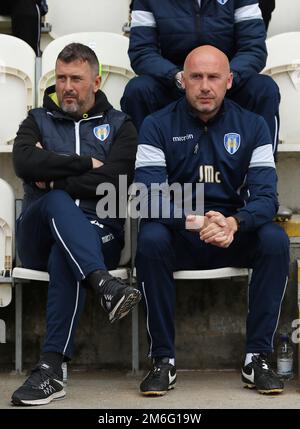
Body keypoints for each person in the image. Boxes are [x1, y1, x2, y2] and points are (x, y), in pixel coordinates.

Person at [134, 45, 289, 396]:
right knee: (151, 238)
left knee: (275, 241)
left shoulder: (254, 126)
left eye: (214, 77)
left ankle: (257, 357)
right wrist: (196, 222)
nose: (205, 86)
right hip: (182, 234)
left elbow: (266, 198)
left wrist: (234, 223)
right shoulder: (156, 125)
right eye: (197, 77)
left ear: (229, 81)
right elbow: (148, 196)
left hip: (231, 234)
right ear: (183, 81)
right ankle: (162, 360)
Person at [11, 42, 141, 406]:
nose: (67, 86)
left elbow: (116, 181)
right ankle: (104, 284)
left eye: (76, 79)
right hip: (38, 230)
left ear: (96, 81)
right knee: (54, 201)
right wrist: (84, 164)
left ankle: (50, 370)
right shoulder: (37, 119)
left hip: (101, 231)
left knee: (64, 253)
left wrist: (52, 171)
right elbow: (24, 164)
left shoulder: (121, 125)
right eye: (61, 78)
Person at [121, 0, 280, 157]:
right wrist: (177, 77)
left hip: (225, 81)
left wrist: (223, 78)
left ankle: (262, 171)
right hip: (174, 81)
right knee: (138, 89)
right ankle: (144, 171)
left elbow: (254, 49)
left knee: (264, 88)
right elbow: (142, 52)